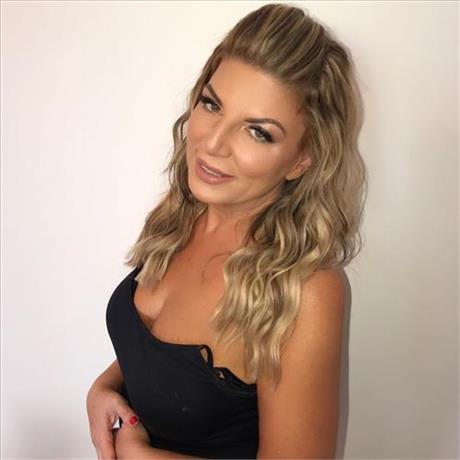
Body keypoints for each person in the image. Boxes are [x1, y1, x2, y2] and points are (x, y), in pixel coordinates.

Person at [86, 3, 368, 459]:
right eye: (212, 104)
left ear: (303, 159)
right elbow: (166, 360)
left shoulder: (305, 289)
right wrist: (105, 386)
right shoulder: (182, 214)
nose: (213, 143)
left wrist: (144, 457)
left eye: (258, 132)